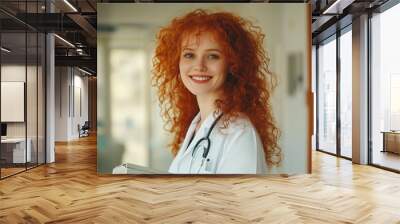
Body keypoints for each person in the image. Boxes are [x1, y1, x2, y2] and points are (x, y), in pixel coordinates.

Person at [152, 9, 281, 174]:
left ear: (232, 64)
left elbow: (243, 199)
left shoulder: (239, 134)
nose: (199, 66)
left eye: (212, 56)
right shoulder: (197, 126)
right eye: (189, 55)